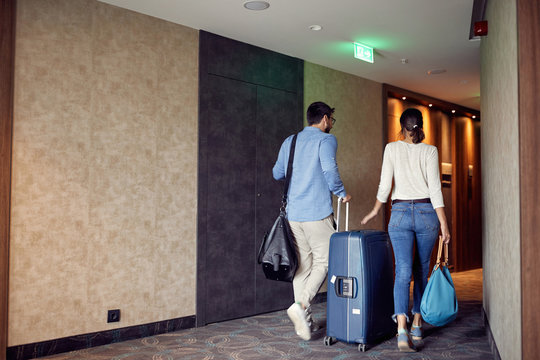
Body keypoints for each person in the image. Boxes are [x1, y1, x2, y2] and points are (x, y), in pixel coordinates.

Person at [361, 108, 450, 352]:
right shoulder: (430, 151)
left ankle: (401, 329)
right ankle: (417, 324)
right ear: (421, 127)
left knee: (402, 271)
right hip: (426, 214)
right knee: (421, 269)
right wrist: (443, 222)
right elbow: (435, 189)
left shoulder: (391, 148)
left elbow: (384, 183)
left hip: (399, 214)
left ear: (401, 127)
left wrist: (376, 210)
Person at [272, 101, 352, 341]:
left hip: (294, 214)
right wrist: (341, 192)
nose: (331, 124)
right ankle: (302, 304)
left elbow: (277, 172)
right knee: (326, 261)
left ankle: (304, 323)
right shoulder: (327, 140)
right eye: (331, 120)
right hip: (317, 213)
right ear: (326, 119)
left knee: (303, 266)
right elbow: (329, 169)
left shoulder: (290, 141)